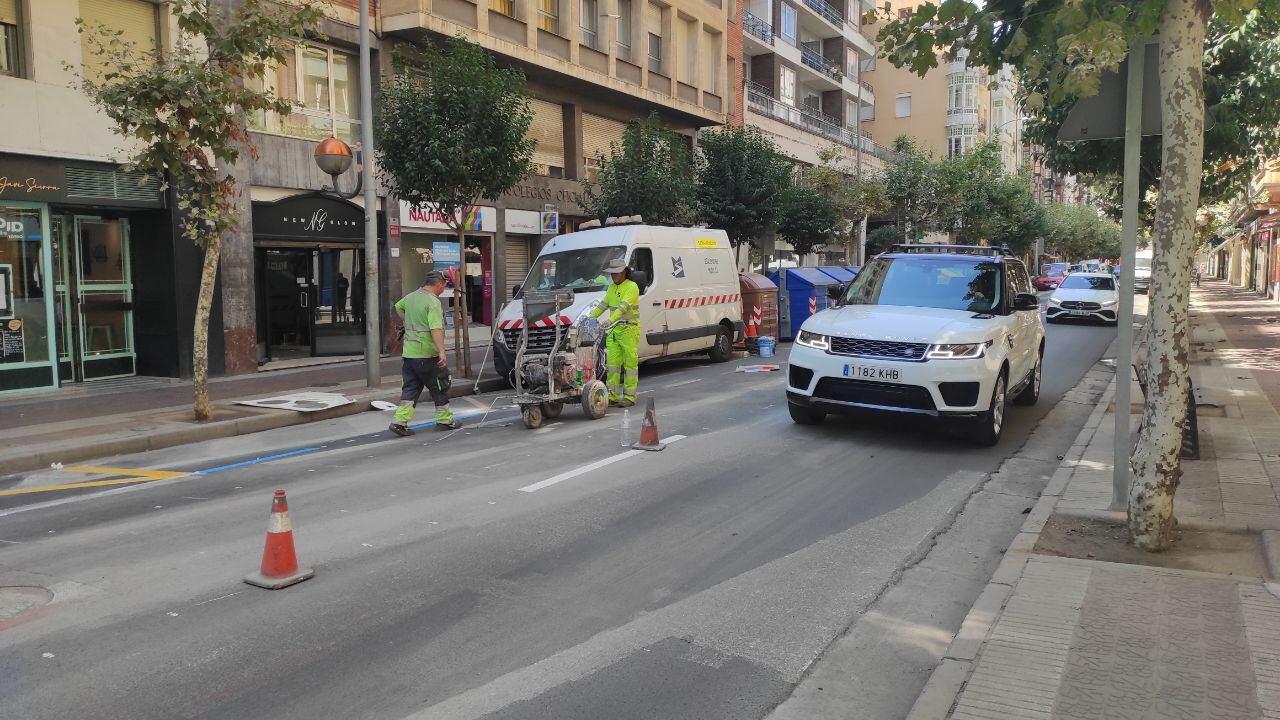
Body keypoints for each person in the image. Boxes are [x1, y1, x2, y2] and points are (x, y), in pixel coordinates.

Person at [389, 272, 460, 436]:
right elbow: (436, 329)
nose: (443, 289)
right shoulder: (432, 302)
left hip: (409, 354)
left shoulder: (411, 297)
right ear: (439, 284)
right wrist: (442, 352)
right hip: (427, 354)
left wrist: (408, 321)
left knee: (410, 388)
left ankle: (399, 422)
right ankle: (445, 421)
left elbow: (398, 307)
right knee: (440, 386)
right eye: (443, 286)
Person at [589, 258, 641, 407]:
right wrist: (588, 318)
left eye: (616, 273)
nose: (613, 276)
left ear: (624, 272)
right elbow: (603, 305)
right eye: (611, 273)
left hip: (629, 329)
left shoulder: (632, 287)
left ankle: (629, 397)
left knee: (630, 365)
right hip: (614, 331)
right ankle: (613, 396)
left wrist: (610, 320)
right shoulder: (611, 288)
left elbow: (622, 308)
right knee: (612, 365)